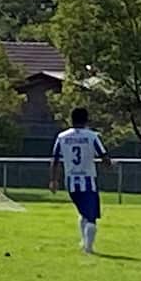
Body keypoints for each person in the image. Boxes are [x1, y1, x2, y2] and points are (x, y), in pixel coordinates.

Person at [50, 107, 112, 255]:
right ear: (86, 120)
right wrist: (110, 165)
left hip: (71, 182)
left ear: (71, 119)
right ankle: (89, 248)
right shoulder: (92, 136)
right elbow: (104, 156)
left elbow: (55, 160)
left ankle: (84, 242)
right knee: (91, 217)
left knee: (83, 213)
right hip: (88, 181)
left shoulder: (62, 137)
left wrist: (53, 180)